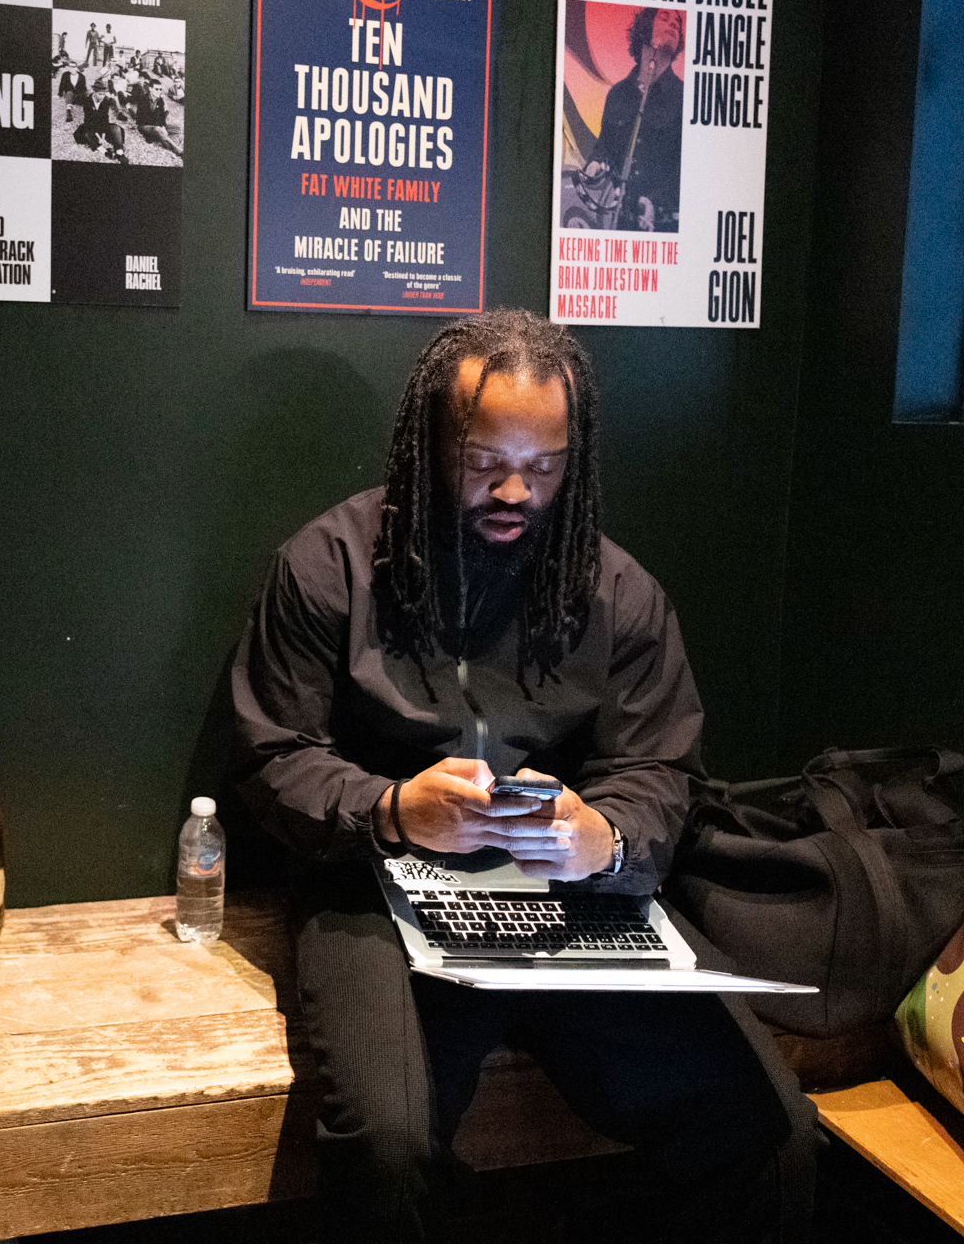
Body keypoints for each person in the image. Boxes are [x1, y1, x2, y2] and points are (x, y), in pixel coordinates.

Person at [229, 310, 791, 1243]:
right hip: (371, 885)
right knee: (390, 1145)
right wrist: (391, 808)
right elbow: (271, 754)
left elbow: (659, 769)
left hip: (564, 895)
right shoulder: (327, 566)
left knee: (766, 1124)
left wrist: (602, 838)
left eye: (547, 464)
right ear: (429, 441)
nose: (517, 490)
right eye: (485, 461)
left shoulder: (616, 590)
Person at [585, 6, 684, 231]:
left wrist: (656, 204)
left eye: (677, 21)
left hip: (661, 226)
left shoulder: (684, 98)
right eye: (665, 17)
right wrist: (595, 163)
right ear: (645, 26)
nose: (674, 23)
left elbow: (686, 169)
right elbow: (604, 147)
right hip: (615, 221)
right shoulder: (618, 93)